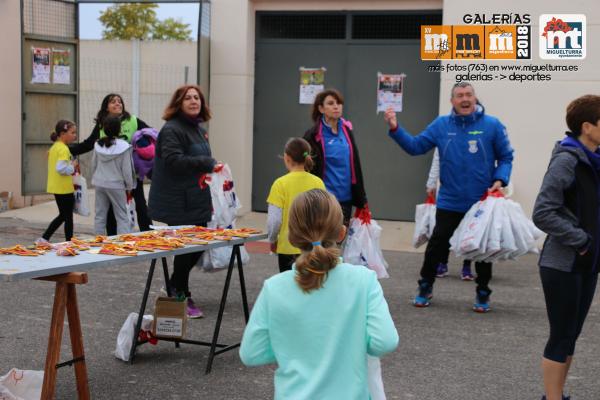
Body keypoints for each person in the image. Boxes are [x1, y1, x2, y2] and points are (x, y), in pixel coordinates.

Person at [240, 189, 398, 399]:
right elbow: (385, 341)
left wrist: (288, 344)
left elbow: (251, 353)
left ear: (292, 237)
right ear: (342, 233)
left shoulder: (274, 288)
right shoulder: (364, 281)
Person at [384, 82, 514, 312]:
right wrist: (395, 129)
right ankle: (425, 287)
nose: (465, 99)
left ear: (475, 98)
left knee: (482, 249)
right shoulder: (441, 125)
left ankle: (483, 293)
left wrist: (500, 178)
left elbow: (506, 157)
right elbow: (415, 147)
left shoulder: (492, 125)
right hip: (450, 200)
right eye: (459, 96)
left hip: (480, 200)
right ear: (452, 101)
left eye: (469, 95)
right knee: (436, 246)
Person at [532, 95, 600, 400]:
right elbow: (543, 211)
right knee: (561, 336)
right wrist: (582, 240)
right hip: (562, 264)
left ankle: (556, 395)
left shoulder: (596, 160)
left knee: (571, 336)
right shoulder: (567, 160)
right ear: (587, 127)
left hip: (588, 264)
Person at [148, 85, 220, 319]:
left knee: (198, 248)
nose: (193, 101)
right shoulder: (172, 129)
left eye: (196, 98)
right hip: (177, 200)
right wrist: (205, 162)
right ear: (178, 103)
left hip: (196, 196)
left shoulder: (198, 128)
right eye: (188, 98)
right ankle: (180, 293)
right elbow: (173, 161)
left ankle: (173, 286)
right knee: (186, 249)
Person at [70, 93, 152, 234]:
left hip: (132, 172)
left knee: (141, 207)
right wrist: (67, 148)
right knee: (110, 213)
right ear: (106, 107)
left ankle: (149, 235)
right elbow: (89, 144)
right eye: (113, 102)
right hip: (112, 178)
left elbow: (150, 134)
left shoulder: (132, 120)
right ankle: (111, 242)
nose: (117, 104)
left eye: (119, 101)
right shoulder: (102, 124)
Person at [304, 89, 369, 226]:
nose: (336, 106)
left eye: (339, 103)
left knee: (340, 243)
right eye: (331, 103)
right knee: (325, 243)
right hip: (324, 201)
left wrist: (362, 200)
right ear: (321, 108)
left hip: (346, 200)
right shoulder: (312, 136)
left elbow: (355, 165)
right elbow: (306, 169)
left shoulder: (346, 131)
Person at [267, 138, 326, 272]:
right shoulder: (318, 182)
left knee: (289, 288)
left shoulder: (280, 184)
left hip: (287, 247)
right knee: (312, 287)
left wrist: (272, 239)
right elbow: (325, 215)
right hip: (314, 245)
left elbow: (274, 220)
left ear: (286, 157)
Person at [425, 148, 475, 281]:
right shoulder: (446, 133)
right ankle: (442, 262)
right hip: (449, 194)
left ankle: (467, 266)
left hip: (472, 192)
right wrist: (431, 183)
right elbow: (437, 160)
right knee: (444, 231)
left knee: (469, 231)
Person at [91, 116, 136, 235]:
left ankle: (97, 242)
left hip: (100, 183)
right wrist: (129, 187)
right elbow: (127, 171)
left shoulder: (98, 144)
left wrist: (96, 177)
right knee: (121, 216)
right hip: (116, 185)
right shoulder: (124, 146)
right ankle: (122, 245)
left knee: (100, 215)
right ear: (119, 129)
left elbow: (93, 164)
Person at [39, 120, 78, 243]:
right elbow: (61, 168)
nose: (75, 135)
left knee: (64, 215)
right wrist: (73, 166)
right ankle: (68, 242)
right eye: (72, 132)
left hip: (57, 187)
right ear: (62, 133)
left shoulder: (55, 147)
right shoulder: (63, 149)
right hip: (64, 188)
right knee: (67, 217)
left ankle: (45, 238)